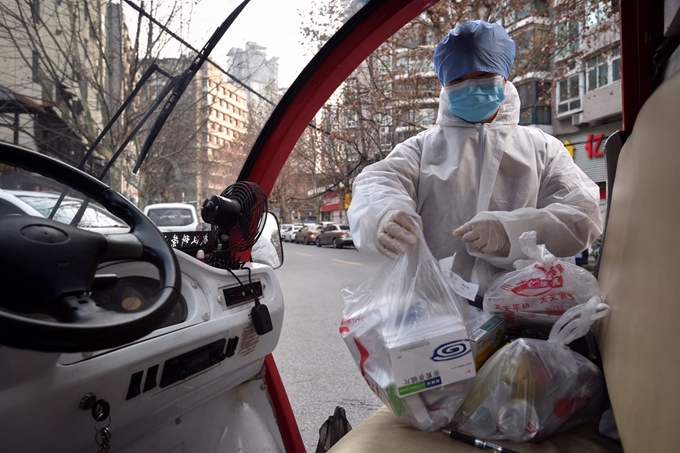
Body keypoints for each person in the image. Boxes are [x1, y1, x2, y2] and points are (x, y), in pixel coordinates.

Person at [347, 20, 602, 295]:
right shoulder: (421, 150)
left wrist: (512, 232)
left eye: (482, 75)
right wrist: (384, 214)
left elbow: (582, 213)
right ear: (444, 86)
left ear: (504, 78)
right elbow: (376, 183)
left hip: (523, 308)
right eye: (457, 80)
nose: (470, 85)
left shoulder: (543, 150)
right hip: (435, 313)